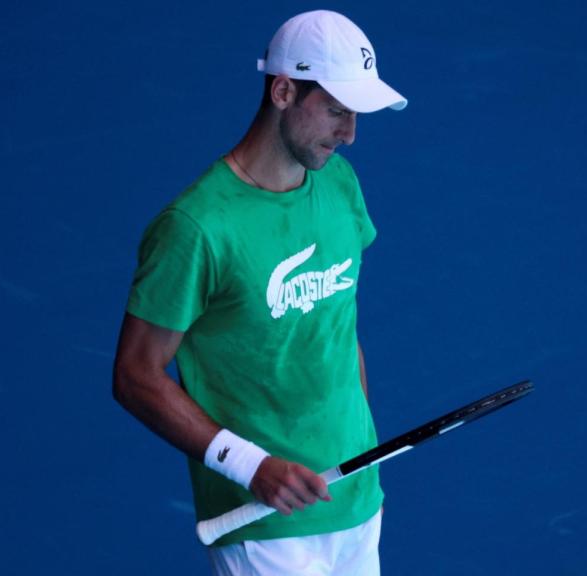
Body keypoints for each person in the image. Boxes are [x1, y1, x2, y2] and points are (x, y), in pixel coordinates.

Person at [112, 10, 406, 575]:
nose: (350, 134)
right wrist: (251, 466)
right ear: (283, 90)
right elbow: (134, 375)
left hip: (355, 501)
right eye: (336, 111)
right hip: (262, 520)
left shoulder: (339, 184)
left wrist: (363, 463)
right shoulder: (196, 227)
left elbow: (338, 328)